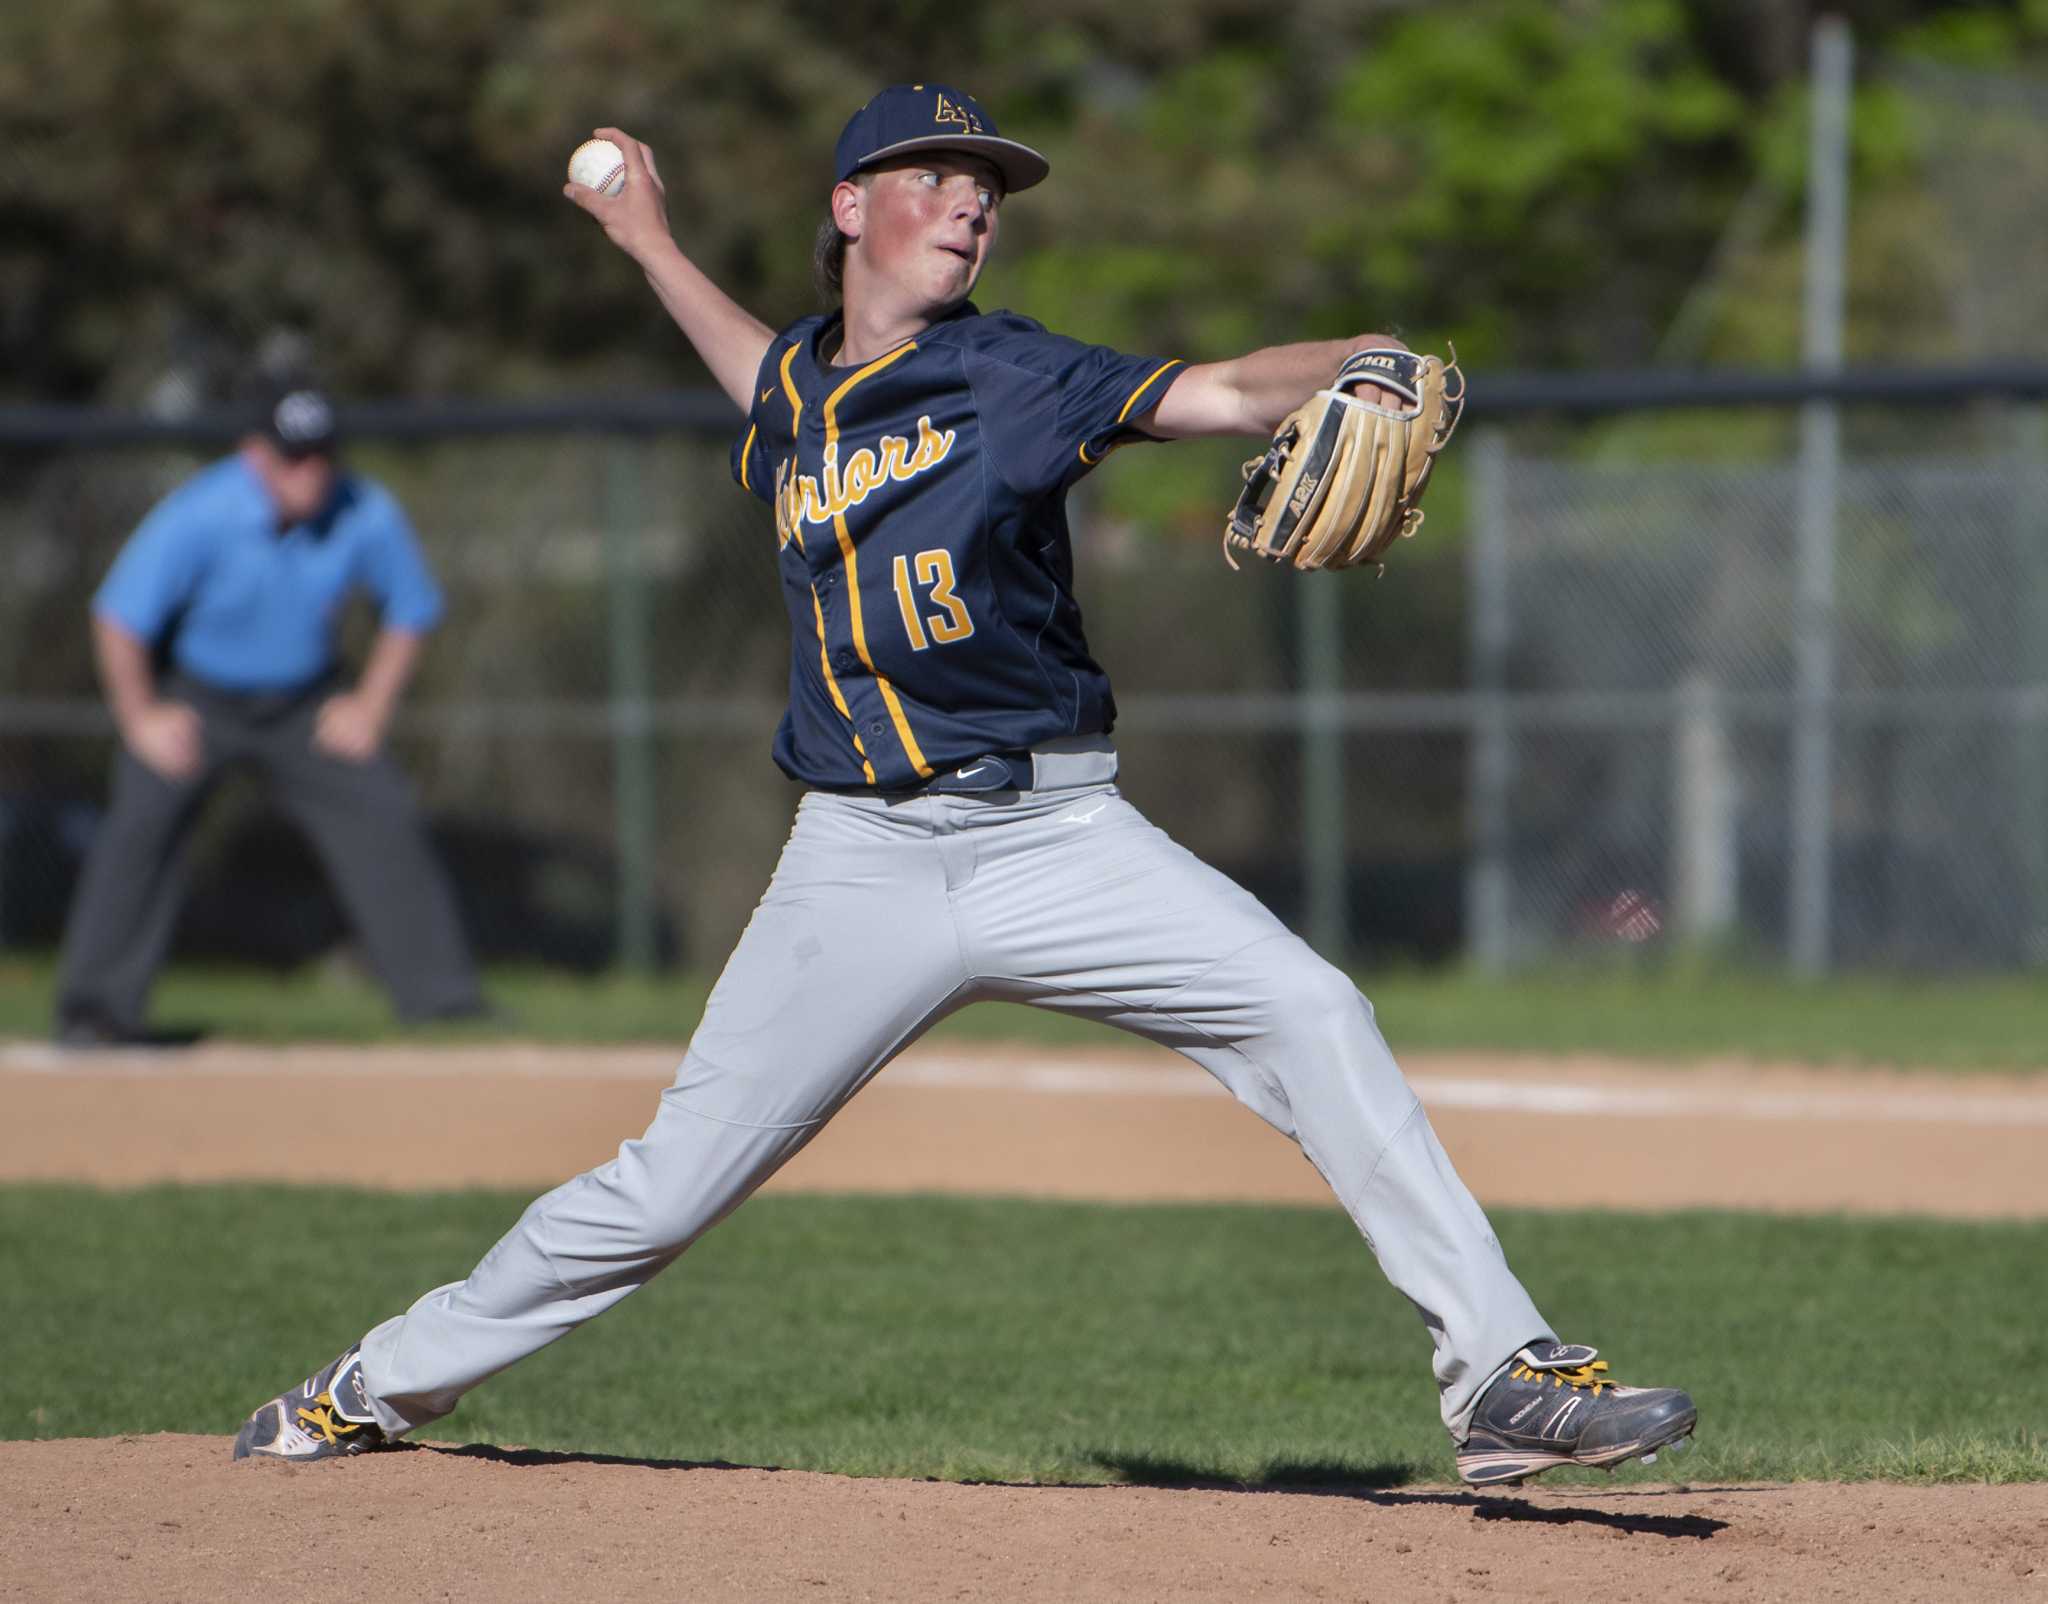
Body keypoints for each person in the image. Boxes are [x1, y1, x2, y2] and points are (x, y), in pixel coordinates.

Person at [232, 86, 1695, 1486]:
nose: (970, 204)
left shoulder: (1011, 374)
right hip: (858, 858)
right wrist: (649, 242)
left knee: (1313, 1012)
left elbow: (1222, 387)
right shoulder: (800, 388)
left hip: (1058, 836)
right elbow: (757, 372)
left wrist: (1355, 357)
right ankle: (372, 1384)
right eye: (933, 176)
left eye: (986, 187)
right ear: (848, 206)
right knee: (668, 1184)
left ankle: (1500, 1374)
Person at [53, 382, 487, 1044]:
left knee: (384, 811)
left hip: (305, 703)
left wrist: (369, 708)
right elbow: (118, 617)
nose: (309, 472)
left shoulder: (364, 510)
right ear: (254, 453)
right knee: (140, 821)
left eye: (321, 455)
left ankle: (444, 1004)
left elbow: (412, 610)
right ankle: (95, 1010)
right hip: (200, 698)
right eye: (292, 457)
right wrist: (142, 719)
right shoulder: (201, 512)